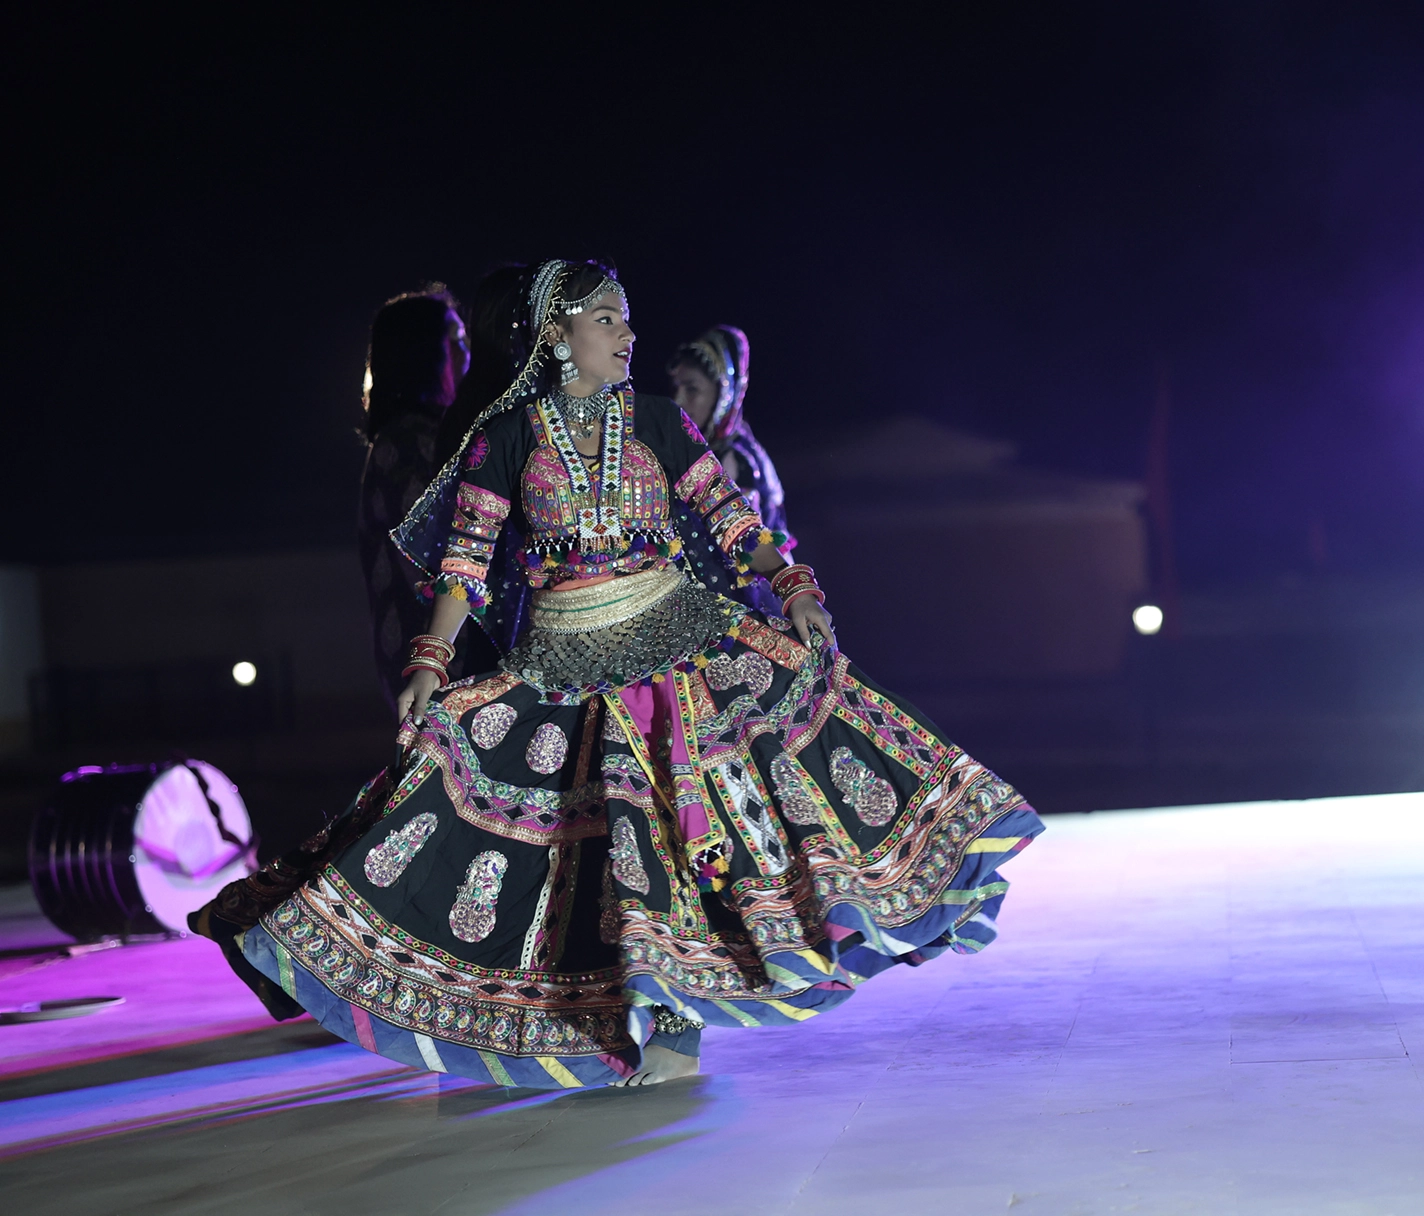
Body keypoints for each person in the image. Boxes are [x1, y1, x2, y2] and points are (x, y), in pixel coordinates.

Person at [192, 258, 1042, 1089]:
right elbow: (464, 565)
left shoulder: (663, 422)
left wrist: (792, 586)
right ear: (556, 335)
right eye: (607, 319)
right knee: (585, 836)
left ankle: (713, 994)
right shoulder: (505, 437)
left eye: (628, 318)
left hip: (683, 637)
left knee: (720, 820)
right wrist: (430, 658)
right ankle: (643, 1012)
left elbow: (734, 521)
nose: (628, 334)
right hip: (565, 660)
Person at [357, 287, 474, 705]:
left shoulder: (420, 437)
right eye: (456, 340)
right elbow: (445, 559)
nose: (469, 351)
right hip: (437, 670)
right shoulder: (408, 444)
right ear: (425, 353)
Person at [668, 326, 791, 614]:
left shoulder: (734, 460)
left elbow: (741, 549)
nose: (679, 400)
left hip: (744, 607)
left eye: (693, 389)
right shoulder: (720, 451)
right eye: (677, 388)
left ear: (725, 394)